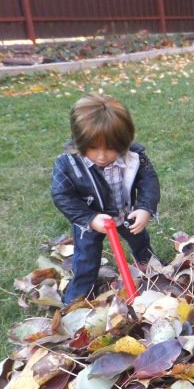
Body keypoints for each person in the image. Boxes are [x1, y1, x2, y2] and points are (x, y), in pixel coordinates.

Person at [51, 94, 160, 305]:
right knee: (86, 259)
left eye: (110, 148)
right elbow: (62, 196)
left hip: (126, 214)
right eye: (92, 147)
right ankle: (77, 300)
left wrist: (145, 207)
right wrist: (89, 218)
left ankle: (152, 274)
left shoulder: (134, 157)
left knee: (141, 244)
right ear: (79, 140)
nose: (101, 156)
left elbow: (149, 181)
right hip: (91, 222)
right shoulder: (67, 165)